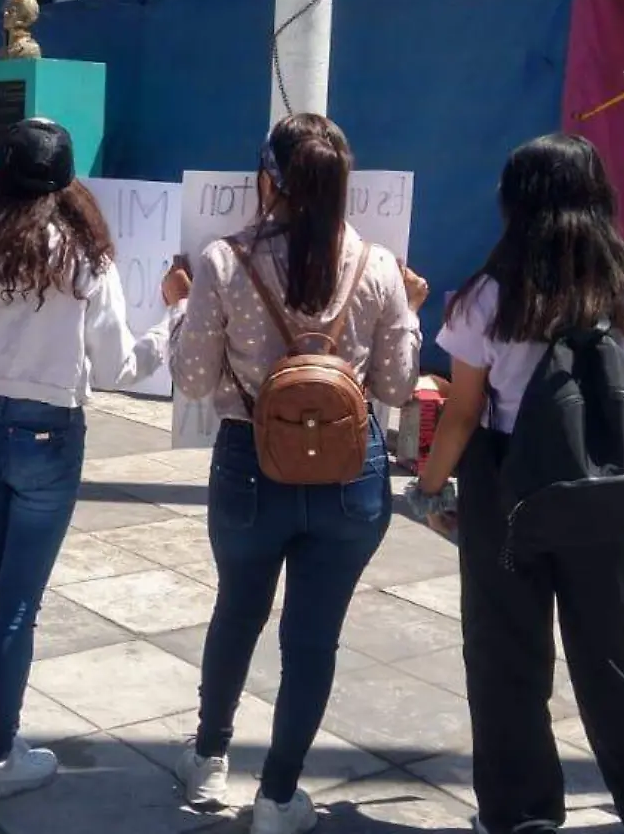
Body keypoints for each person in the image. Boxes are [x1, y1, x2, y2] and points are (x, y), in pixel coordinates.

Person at [414, 134, 624, 834]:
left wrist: (429, 485)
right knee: (614, 659)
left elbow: (464, 412)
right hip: (610, 491)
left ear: (516, 203)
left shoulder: (488, 296)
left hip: (509, 490)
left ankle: (521, 814)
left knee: (507, 657)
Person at [166, 113, 425, 834]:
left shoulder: (223, 261)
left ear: (268, 181)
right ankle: (279, 798)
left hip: (251, 462)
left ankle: (210, 756)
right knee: (314, 639)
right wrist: (410, 314)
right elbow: (401, 389)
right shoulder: (377, 266)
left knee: (237, 613)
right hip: (350, 474)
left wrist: (179, 308)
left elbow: (192, 379)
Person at [0, 117, 170, 797]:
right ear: (67, 181)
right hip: (50, 434)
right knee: (17, 602)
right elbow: (116, 365)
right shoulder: (85, 258)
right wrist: (171, 323)